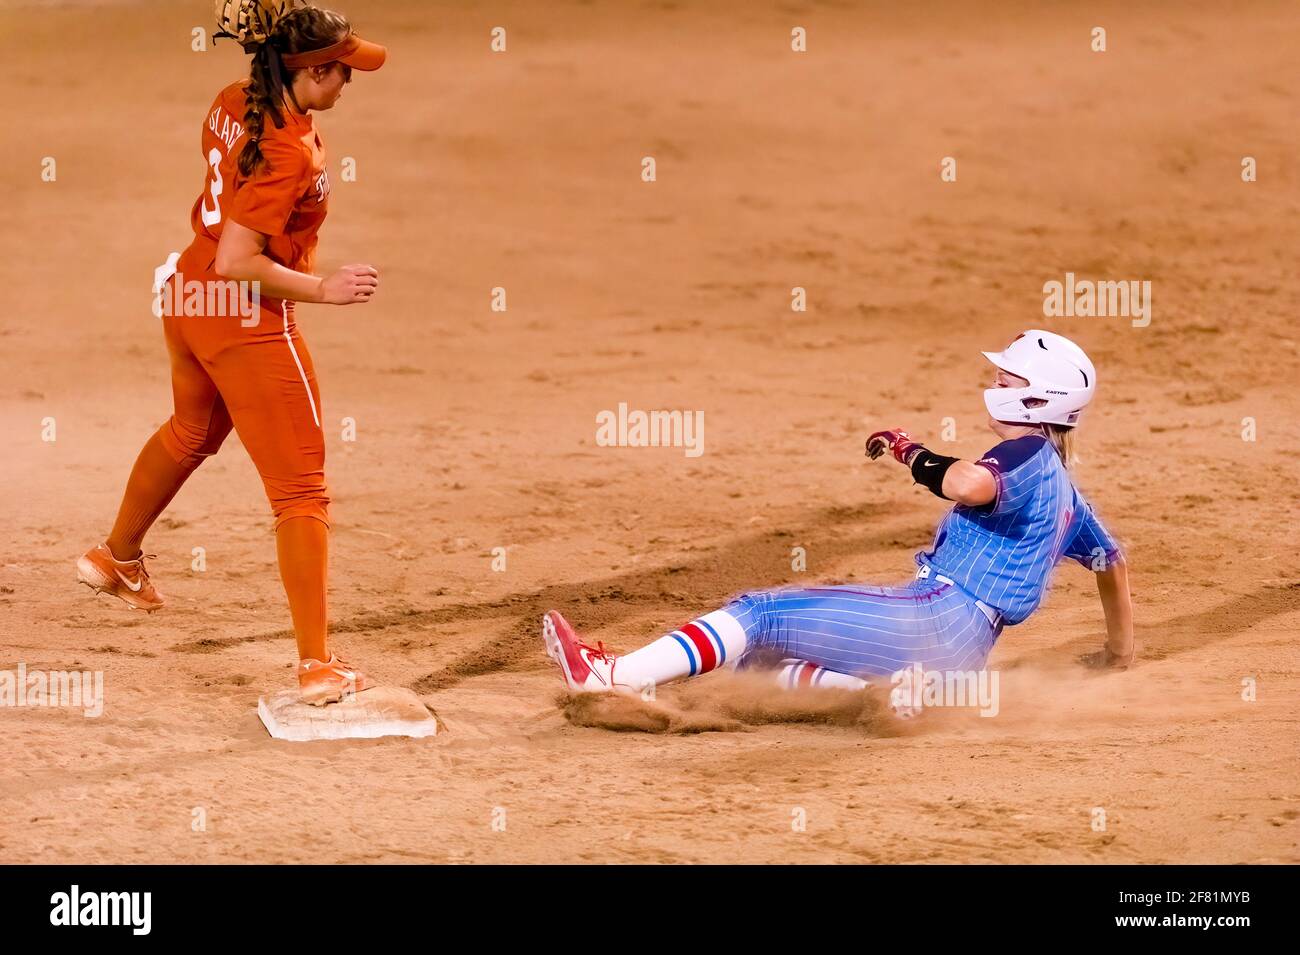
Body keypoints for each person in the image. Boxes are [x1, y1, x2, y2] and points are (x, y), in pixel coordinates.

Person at [76, 2, 387, 705]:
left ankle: (115, 557)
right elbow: (240, 259)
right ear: (310, 71)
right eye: (343, 72)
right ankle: (317, 667)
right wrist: (322, 288)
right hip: (243, 316)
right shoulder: (288, 146)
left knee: (192, 430)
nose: (349, 85)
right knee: (301, 491)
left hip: (188, 297)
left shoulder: (234, 100)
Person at [541, 330, 1134, 698]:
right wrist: (1118, 653)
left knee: (760, 613)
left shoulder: (1024, 451)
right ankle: (874, 695)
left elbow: (969, 484)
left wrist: (910, 451)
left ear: (1037, 398)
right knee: (759, 660)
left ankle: (609, 678)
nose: (994, 381)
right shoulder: (1068, 493)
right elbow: (1112, 563)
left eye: (1006, 376)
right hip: (962, 645)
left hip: (936, 618)